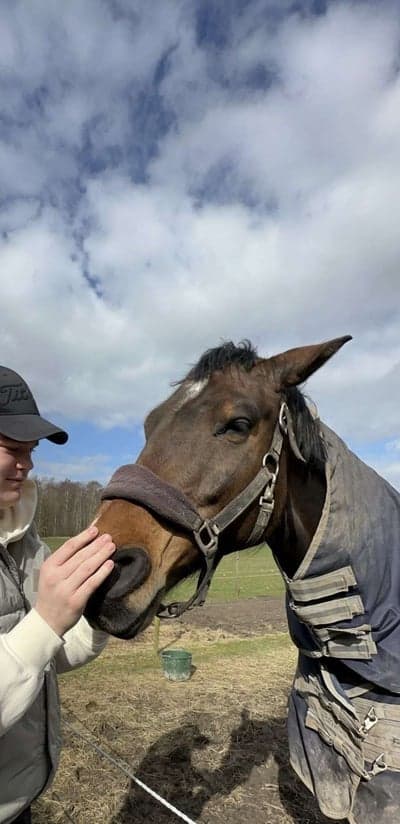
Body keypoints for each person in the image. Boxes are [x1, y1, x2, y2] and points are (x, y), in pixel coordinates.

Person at [0, 366, 116, 824]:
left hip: (19, 794)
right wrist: (46, 619)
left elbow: (51, 656)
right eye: (12, 449)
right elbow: (40, 633)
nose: (27, 464)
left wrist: (102, 610)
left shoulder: (25, 541)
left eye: (31, 451)